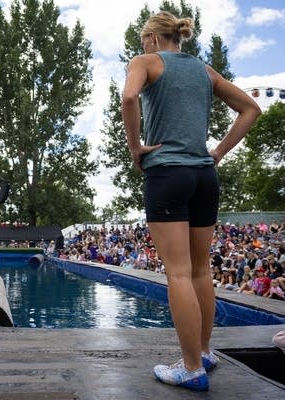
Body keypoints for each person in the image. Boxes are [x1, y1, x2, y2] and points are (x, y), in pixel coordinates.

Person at [121, 10, 261, 391]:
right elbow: (251, 109)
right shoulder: (204, 71)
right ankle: (203, 352)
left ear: (151, 37)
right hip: (204, 175)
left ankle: (190, 368)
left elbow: (129, 96)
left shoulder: (144, 62)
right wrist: (217, 152)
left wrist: (136, 148)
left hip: (167, 173)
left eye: (141, 40)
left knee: (178, 273)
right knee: (201, 271)